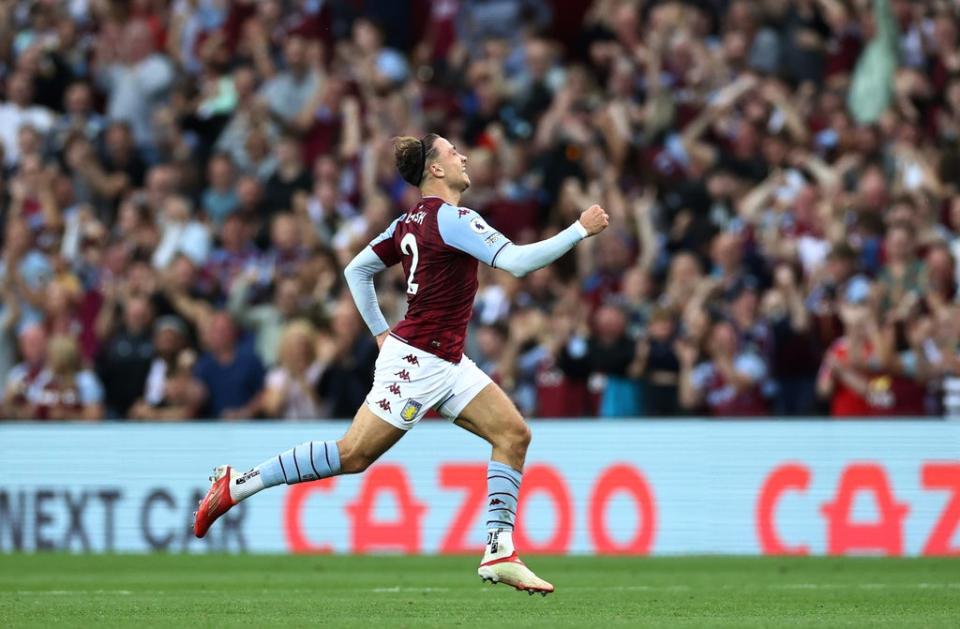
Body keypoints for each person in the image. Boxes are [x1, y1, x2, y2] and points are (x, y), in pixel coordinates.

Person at [194, 133, 609, 594]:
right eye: (454, 152)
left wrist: (378, 331)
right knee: (352, 455)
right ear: (435, 168)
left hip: (446, 359)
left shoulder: (407, 222)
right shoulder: (454, 220)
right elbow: (516, 263)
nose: (464, 156)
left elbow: (356, 269)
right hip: (418, 361)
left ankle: (499, 549)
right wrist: (579, 229)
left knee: (513, 434)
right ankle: (237, 483)